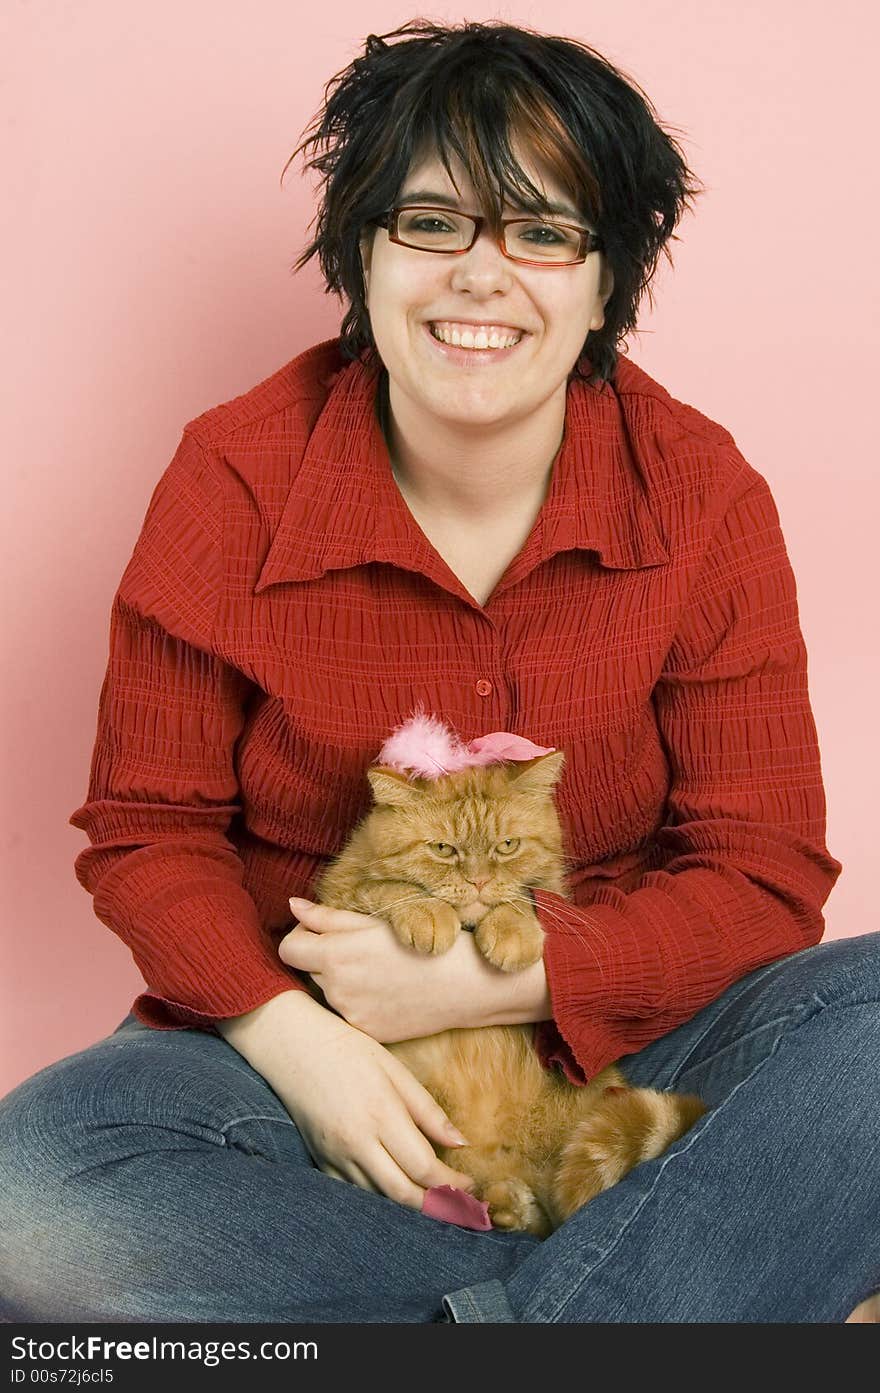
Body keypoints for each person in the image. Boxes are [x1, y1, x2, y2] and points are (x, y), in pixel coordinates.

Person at [0, 18, 876, 1324]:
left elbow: (762, 870)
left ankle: (499, 1321)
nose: (483, 279)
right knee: (28, 1196)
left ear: (606, 271)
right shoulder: (233, 476)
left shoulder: (700, 493)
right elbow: (148, 831)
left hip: (622, 1053)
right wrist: (307, 1051)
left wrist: (506, 978)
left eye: (541, 232)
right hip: (293, 1059)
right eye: (431, 225)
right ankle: (700, 1293)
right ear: (362, 246)